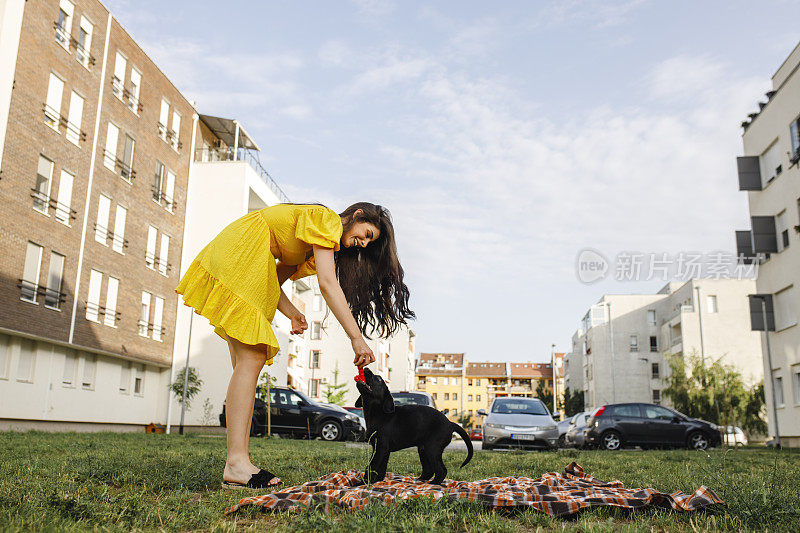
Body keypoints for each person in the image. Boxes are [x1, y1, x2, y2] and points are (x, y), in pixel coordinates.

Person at [175, 202, 414, 489]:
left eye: (367, 242)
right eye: (365, 234)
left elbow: (273, 280)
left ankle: (238, 462)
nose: (361, 243)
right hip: (244, 252)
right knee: (251, 359)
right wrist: (356, 338)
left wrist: (291, 312)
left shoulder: (311, 244)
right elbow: (327, 284)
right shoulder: (326, 220)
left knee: (247, 364)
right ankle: (236, 463)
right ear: (356, 216)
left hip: (245, 255)